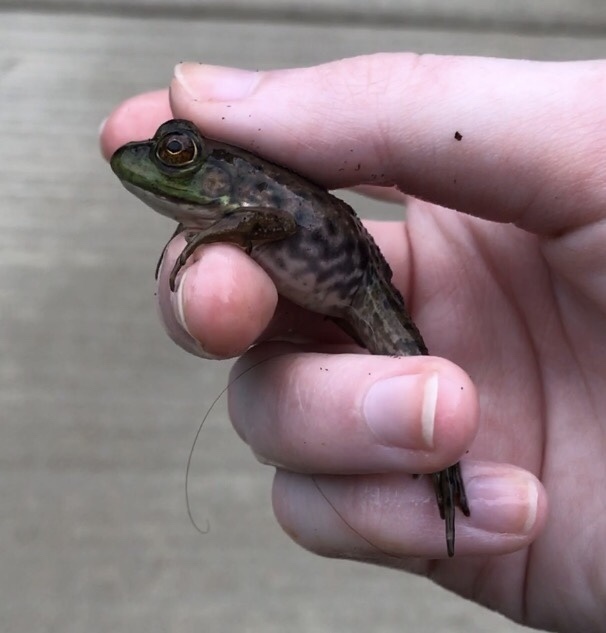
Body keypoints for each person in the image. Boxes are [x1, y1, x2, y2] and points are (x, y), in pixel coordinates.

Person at [100, 54, 606, 632]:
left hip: (361, 282)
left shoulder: (243, 202)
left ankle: (447, 471)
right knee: (379, 387)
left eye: (176, 153)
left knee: (409, 373)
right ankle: (444, 468)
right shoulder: (223, 209)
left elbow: (279, 221)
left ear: (215, 171)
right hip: (340, 278)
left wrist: (223, 228)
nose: (161, 161)